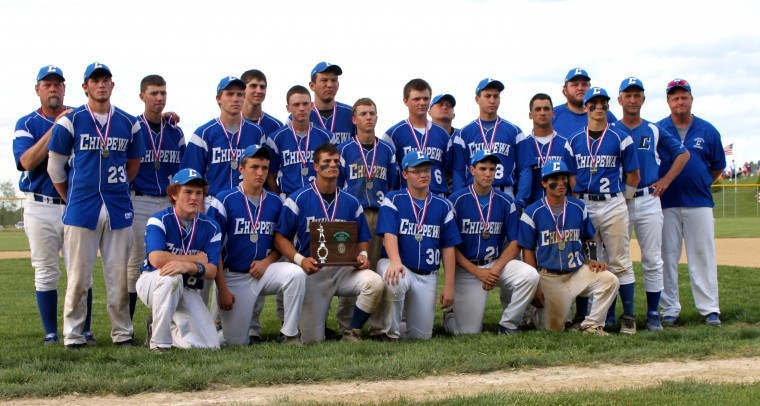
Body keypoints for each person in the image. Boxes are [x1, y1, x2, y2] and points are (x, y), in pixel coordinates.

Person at [48, 62, 144, 349]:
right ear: (85, 87)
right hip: (82, 206)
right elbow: (55, 169)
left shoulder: (128, 122)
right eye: (95, 80)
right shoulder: (70, 121)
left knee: (118, 276)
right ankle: (74, 335)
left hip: (117, 206)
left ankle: (122, 333)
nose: (101, 85)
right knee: (78, 277)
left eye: (106, 80)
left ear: (112, 86)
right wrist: (73, 196)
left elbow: (133, 166)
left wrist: (115, 187)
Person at [274, 143, 384, 343]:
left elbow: (362, 237)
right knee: (312, 340)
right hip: (313, 270)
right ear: (315, 166)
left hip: (343, 270)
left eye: (335, 161)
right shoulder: (298, 198)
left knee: (374, 282)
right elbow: (280, 237)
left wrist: (364, 256)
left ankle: (352, 332)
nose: (333, 165)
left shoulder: (351, 201)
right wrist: (300, 260)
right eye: (327, 162)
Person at [13, 65, 91, 345]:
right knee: (46, 271)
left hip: (75, 204)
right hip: (41, 205)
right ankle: (50, 333)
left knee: (81, 271)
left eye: (58, 84)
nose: (53, 89)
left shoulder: (80, 117)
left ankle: (83, 331)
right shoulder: (27, 123)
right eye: (47, 84)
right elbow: (27, 162)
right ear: (38, 90)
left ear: (65, 89)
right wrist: (57, 129)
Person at [611, 77, 690, 331]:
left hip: (648, 199)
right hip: (619, 200)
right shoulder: (611, 129)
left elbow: (682, 153)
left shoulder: (654, 129)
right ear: (620, 99)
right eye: (628, 95)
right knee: (616, 258)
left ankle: (654, 313)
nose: (632, 100)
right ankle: (616, 313)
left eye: (637, 95)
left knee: (653, 258)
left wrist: (666, 179)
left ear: (643, 99)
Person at [206, 145, 306, 345]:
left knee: (296, 274)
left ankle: (289, 334)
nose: (260, 173)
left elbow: (281, 241)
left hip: (264, 272)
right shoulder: (223, 200)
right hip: (234, 275)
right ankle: (213, 330)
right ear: (241, 169)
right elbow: (213, 248)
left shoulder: (276, 202)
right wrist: (222, 289)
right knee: (234, 342)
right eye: (254, 167)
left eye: (264, 168)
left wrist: (267, 262)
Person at [566, 87, 640, 334]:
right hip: (586, 202)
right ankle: (583, 315)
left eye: (603, 103)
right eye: (594, 103)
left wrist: (624, 201)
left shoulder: (621, 137)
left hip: (612, 202)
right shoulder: (575, 140)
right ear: (585, 107)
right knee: (587, 262)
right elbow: (572, 178)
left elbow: (633, 175)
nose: (599, 107)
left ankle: (627, 315)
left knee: (619, 261)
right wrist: (579, 202)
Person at [518, 161, 619, 335]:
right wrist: (535, 285)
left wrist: (593, 259)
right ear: (543, 183)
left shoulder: (578, 207)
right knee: (552, 330)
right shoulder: (532, 212)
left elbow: (588, 237)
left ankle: (591, 325)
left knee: (610, 280)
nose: (561, 183)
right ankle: (533, 314)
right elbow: (527, 250)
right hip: (548, 277)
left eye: (564, 178)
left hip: (575, 273)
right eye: (555, 179)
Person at [446, 150, 538, 335]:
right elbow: (450, 247)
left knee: (529, 275)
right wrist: (478, 273)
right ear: (472, 170)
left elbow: (515, 242)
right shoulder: (456, 200)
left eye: (492, 169)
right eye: (482, 169)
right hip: (468, 269)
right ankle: (450, 315)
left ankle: (509, 324)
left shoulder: (505, 200)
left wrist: (494, 270)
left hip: (495, 264)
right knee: (468, 333)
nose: (488, 173)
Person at [657, 78, 725, 326]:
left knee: (703, 255)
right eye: (674, 97)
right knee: (666, 257)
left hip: (699, 202)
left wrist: (700, 180)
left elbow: (717, 167)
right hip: (666, 202)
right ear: (668, 101)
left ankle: (709, 309)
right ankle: (669, 310)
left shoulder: (707, 130)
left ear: (691, 99)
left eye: (684, 96)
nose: (679, 101)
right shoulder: (659, 129)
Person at [376, 151, 461, 340]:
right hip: (399, 265)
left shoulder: (443, 205)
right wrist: (396, 262)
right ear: (405, 174)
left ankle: (405, 322)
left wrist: (448, 286)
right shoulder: (393, 199)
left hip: (427, 274)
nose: (423, 175)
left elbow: (448, 247)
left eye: (426, 170)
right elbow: (389, 234)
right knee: (395, 280)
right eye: (417, 171)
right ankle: (390, 334)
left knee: (421, 337)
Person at [137, 169, 221, 352]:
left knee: (210, 345)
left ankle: (165, 329)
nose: (194, 197)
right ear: (174, 194)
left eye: (199, 193)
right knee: (171, 277)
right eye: (188, 192)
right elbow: (157, 258)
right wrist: (194, 260)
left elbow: (212, 271)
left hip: (188, 287)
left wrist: (187, 266)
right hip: (154, 282)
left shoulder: (211, 227)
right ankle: (160, 344)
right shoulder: (159, 220)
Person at [127, 75, 186, 319]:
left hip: (169, 201)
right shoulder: (132, 127)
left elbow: (183, 168)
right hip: (139, 199)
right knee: (134, 265)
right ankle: (125, 327)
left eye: (163, 93)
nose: (159, 98)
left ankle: (162, 320)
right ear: (142, 96)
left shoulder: (174, 130)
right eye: (153, 93)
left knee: (171, 260)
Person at [180, 76, 267, 206]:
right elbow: (191, 176)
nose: (235, 99)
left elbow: (265, 170)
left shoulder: (257, 132)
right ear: (219, 99)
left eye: (239, 94)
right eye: (230, 94)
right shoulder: (203, 133)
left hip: (247, 202)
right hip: (213, 201)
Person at [451, 78, 522, 196]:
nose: (492, 100)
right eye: (487, 96)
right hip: (473, 194)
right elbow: (458, 171)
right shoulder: (464, 133)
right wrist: (458, 198)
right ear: (477, 99)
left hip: (505, 192)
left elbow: (524, 169)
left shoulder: (514, 131)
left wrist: (520, 201)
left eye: (496, 96)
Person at [382, 79, 451, 196]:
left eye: (426, 98)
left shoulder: (443, 134)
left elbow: (448, 171)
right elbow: (388, 172)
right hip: (406, 198)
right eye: (416, 99)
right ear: (405, 101)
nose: (422, 103)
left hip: (438, 197)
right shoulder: (393, 134)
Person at [266, 85, 335, 196]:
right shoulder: (276, 138)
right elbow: (270, 175)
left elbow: (333, 171)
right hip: (289, 198)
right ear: (288, 108)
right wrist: (279, 197)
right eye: (296, 105)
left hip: (319, 198)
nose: (301, 108)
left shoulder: (326, 137)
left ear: (312, 105)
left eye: (305, 104)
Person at [515, 93, 574, 212]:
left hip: (562, 209)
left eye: (546, 109)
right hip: (531, 209)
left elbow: (572, 179)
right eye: (538, 109)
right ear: (530, 115)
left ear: (553, 113)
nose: (542, 113)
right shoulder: (523, 144)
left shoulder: (566, 144)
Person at [553, 68, 617, 138]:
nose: (580, 88)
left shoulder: (604, 114)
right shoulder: (552, 114)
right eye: (575, 85)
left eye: (584, 84)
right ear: (565, 90)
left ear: (590, 88)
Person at [307, 62, 355, 144]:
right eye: (324, 80)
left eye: (334, 80)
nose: (330, 85)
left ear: (338, 84)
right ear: (312, 86)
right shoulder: (301, 115)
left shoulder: (351, 113)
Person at [240, 69, 283, 136]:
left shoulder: (276, 126)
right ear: (243, 90)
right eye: (253, 86)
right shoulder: (231, 123)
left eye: (262, 87)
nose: (259, 91)